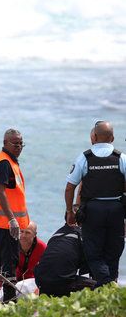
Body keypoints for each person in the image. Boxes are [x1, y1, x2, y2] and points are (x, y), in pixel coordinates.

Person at [64, 120, 126, 288]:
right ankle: (110, 288)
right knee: (113, 253)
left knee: (93, 254)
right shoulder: (121, 158)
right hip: (116, 211)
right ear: (112, 138)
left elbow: (70, 187)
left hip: (92, 212)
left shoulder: (84, 158)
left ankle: (106, 284)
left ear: (94, 136)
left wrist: (70, 211)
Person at [0, 128, 29, 302]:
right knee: (9, 263)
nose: (18, 147)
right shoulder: (5, 163)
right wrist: (12, 220)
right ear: (5, 143)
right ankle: (9, 302)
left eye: (20, 143)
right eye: (14, 143)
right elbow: (0, 192)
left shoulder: (6, 160)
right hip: (4, 224)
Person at [34, 211, 96, 296]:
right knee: (100, 287)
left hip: (41, 282)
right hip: (62, 283)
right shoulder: (81, 235)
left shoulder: (56, 235)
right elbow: (90, 263)